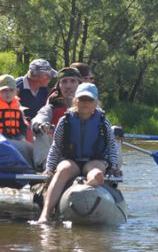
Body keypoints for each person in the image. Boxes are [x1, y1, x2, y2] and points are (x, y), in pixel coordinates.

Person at [37, 83, 119, 223]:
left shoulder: (103, 122)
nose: (85, 103)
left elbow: (111, 146)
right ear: (76, 101)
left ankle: (91, 182)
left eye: (89, 100)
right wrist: (49, 168)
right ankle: (45, 214)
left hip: (94, 160)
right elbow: (56, 147)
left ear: (96, 103)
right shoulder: (65, 121)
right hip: (71, 160)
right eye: (82, 99)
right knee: (62, 169)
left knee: (97, 171)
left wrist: (114, 166)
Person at [31, 66, 83, 171]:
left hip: (82, 155)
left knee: (114, 133)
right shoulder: (51, 107)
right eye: (64, 82)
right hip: (55, 156)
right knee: (42, 132)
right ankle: (46, 167)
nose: (68, 86)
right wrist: (41, 125)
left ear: (80, 85)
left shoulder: (90, 107)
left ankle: (110, 170)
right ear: (59, 86)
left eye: (73, 81)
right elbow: (40, 117)